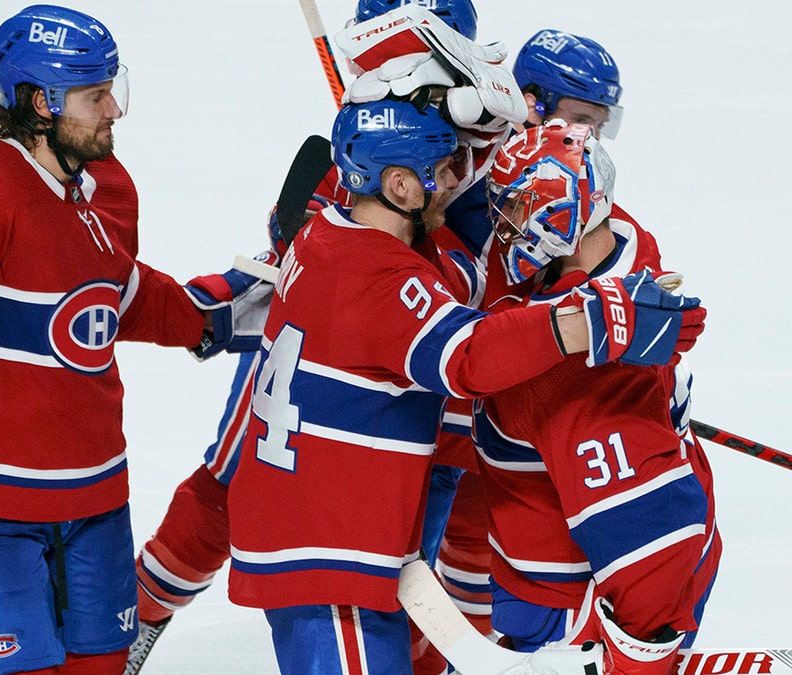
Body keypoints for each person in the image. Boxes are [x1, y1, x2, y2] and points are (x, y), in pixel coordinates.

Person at [225, 98, 705, 675]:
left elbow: (447, 276)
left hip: (320, 528)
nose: (459, 179)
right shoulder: (380, 279)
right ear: (401, 186)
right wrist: (594, 320)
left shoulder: (327, 234)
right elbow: (469, 356)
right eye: (443, 166)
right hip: (331, 553)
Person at [0, 5, 267, 674]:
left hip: (98, 502)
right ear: (39, 103)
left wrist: (207, 312)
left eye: (112, 87)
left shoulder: (109, 187)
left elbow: (112, 295)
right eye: (94, 94)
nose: (115, 110)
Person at [125, 3, 486, 672]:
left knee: (425, 524)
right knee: (234, 479)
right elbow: (303, 252)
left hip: (431, 374)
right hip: (321, 366)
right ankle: (140, 609)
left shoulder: (473, 144)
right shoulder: (367, 146)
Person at [475, 121, 720, 673]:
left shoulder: (586, 361)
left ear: (561, 214)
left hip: (586, 623)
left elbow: (647, 543)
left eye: (516, 209)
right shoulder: (624, 256)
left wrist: (641, 657)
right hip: (569, 613)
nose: (502, 229)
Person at [432, 27, 629, 643]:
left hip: (511, 410)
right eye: (579, 118)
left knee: (493, 549)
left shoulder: (574, 178)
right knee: (427, 553)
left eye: (600, 123)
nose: (589, 136)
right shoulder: (467, 169)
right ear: (534, 102)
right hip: (448, 393)